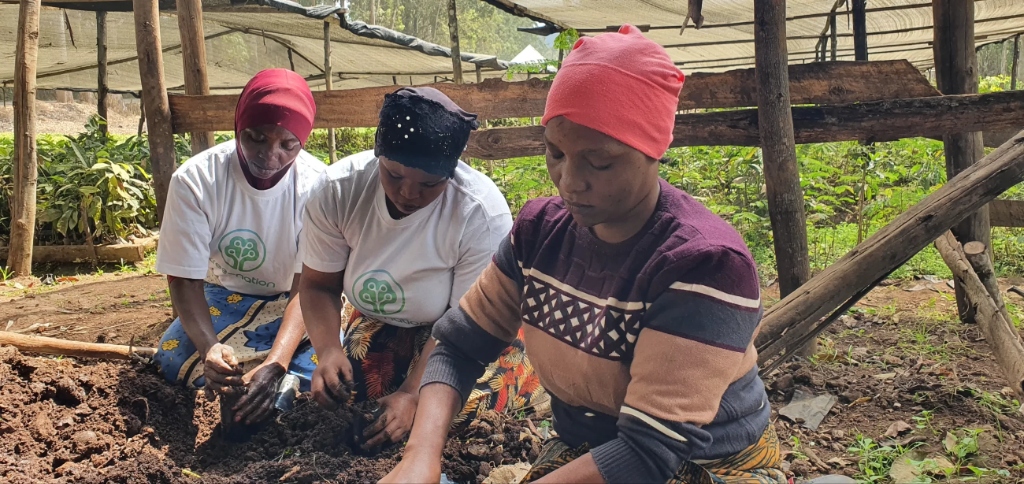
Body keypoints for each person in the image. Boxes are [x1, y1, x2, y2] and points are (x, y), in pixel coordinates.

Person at [382, 25, 786, 484]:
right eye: (555, 153)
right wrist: (419, 456)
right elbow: (457, 347)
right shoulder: (539, 233)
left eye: (600, 162)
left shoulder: (705, 265)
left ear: (653, 150)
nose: (569, 181)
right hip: (589, 446)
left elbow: (650, 449)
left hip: (703, 463)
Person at [297, 87, 542, 452]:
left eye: (429, 184)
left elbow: (466, 323)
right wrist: (329, 350)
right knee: (348, 394)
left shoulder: (479, 213)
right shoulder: (338, 190)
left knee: (449, 412)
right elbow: (318, 285)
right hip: (384, 325)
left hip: (469, 330)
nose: (408, 194)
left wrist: (413, 393)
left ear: (451, 172)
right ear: (378, 156)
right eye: (394, 175)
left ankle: (531, 383)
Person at [153, 69, 325, 426]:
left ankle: (282, 382)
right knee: (172, 359)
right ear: (238, 128)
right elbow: (184, 280)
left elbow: (309, 286)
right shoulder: (197, 180)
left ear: (303, 141)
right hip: (223, 297)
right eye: (256, 138)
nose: (270, 155)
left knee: (330, 369)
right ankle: (270, 393)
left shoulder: (319, 187)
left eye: (287, 145)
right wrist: (209, 348)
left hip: (295, 303)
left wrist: (276, 362)